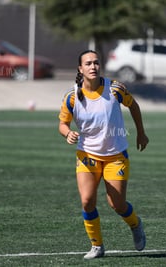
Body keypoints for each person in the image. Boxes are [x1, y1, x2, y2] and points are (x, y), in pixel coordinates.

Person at [58, 50, 149, 259]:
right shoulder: (72, 97)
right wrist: (68, 133)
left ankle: (135, 224)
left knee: (117, 204)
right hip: (87, 155)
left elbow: (133, 106)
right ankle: (97, 246)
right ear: (80, 69)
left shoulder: (115, 89)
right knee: (87, 201)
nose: (93, 66)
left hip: (115, 156)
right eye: (88, 63)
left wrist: (141, 134)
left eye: (96, 63)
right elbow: (62, 123)